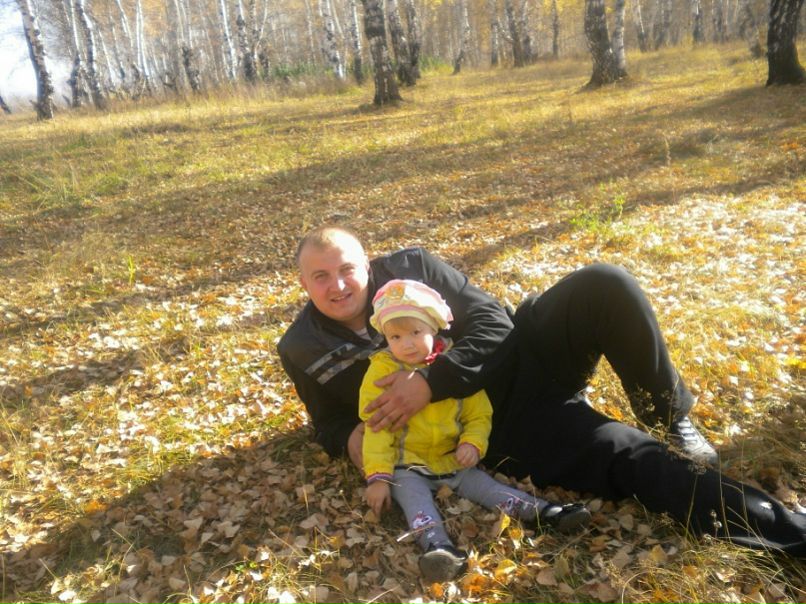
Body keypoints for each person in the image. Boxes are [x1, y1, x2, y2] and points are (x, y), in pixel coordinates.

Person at [278, 225, 806, 557]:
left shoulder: (413, 267)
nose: (338, 285)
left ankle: (669, 414)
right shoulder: (300, 347)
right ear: (303, 284)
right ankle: (791, 533)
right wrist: (351, 441)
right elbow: (327, 421)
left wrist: (431, 382)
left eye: (347, 269)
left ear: (366, 263)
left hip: (523, 353)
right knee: (636, 458)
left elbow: (492, 321)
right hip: (503, 426)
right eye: (320, 276)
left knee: (604, 282)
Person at [361, 278, 591, 582]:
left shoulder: (451, 367)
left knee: (490, 489)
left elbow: (478, 413)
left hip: (454, 459)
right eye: (395, 336)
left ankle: (546, 513)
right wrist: (378, 477)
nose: (407, 343)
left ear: (433, 328)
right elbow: (376, 428)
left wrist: (472, 442)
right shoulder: (381, 372)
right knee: (416, 503)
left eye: (416, 332)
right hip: (408, 465)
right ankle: (438, 548)